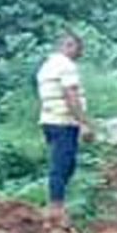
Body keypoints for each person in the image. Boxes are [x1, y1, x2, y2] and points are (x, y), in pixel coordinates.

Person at [36, 32, 89, 214]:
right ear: (69, 46)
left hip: (49, 120)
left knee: (65, 163)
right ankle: (56, 207)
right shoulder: (66, 66)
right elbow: (71, 96)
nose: (80, 54)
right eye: (79, 50)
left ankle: (57, 203)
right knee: (62, 164)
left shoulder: (46, 66)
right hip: (63, 122)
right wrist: (84, 123)